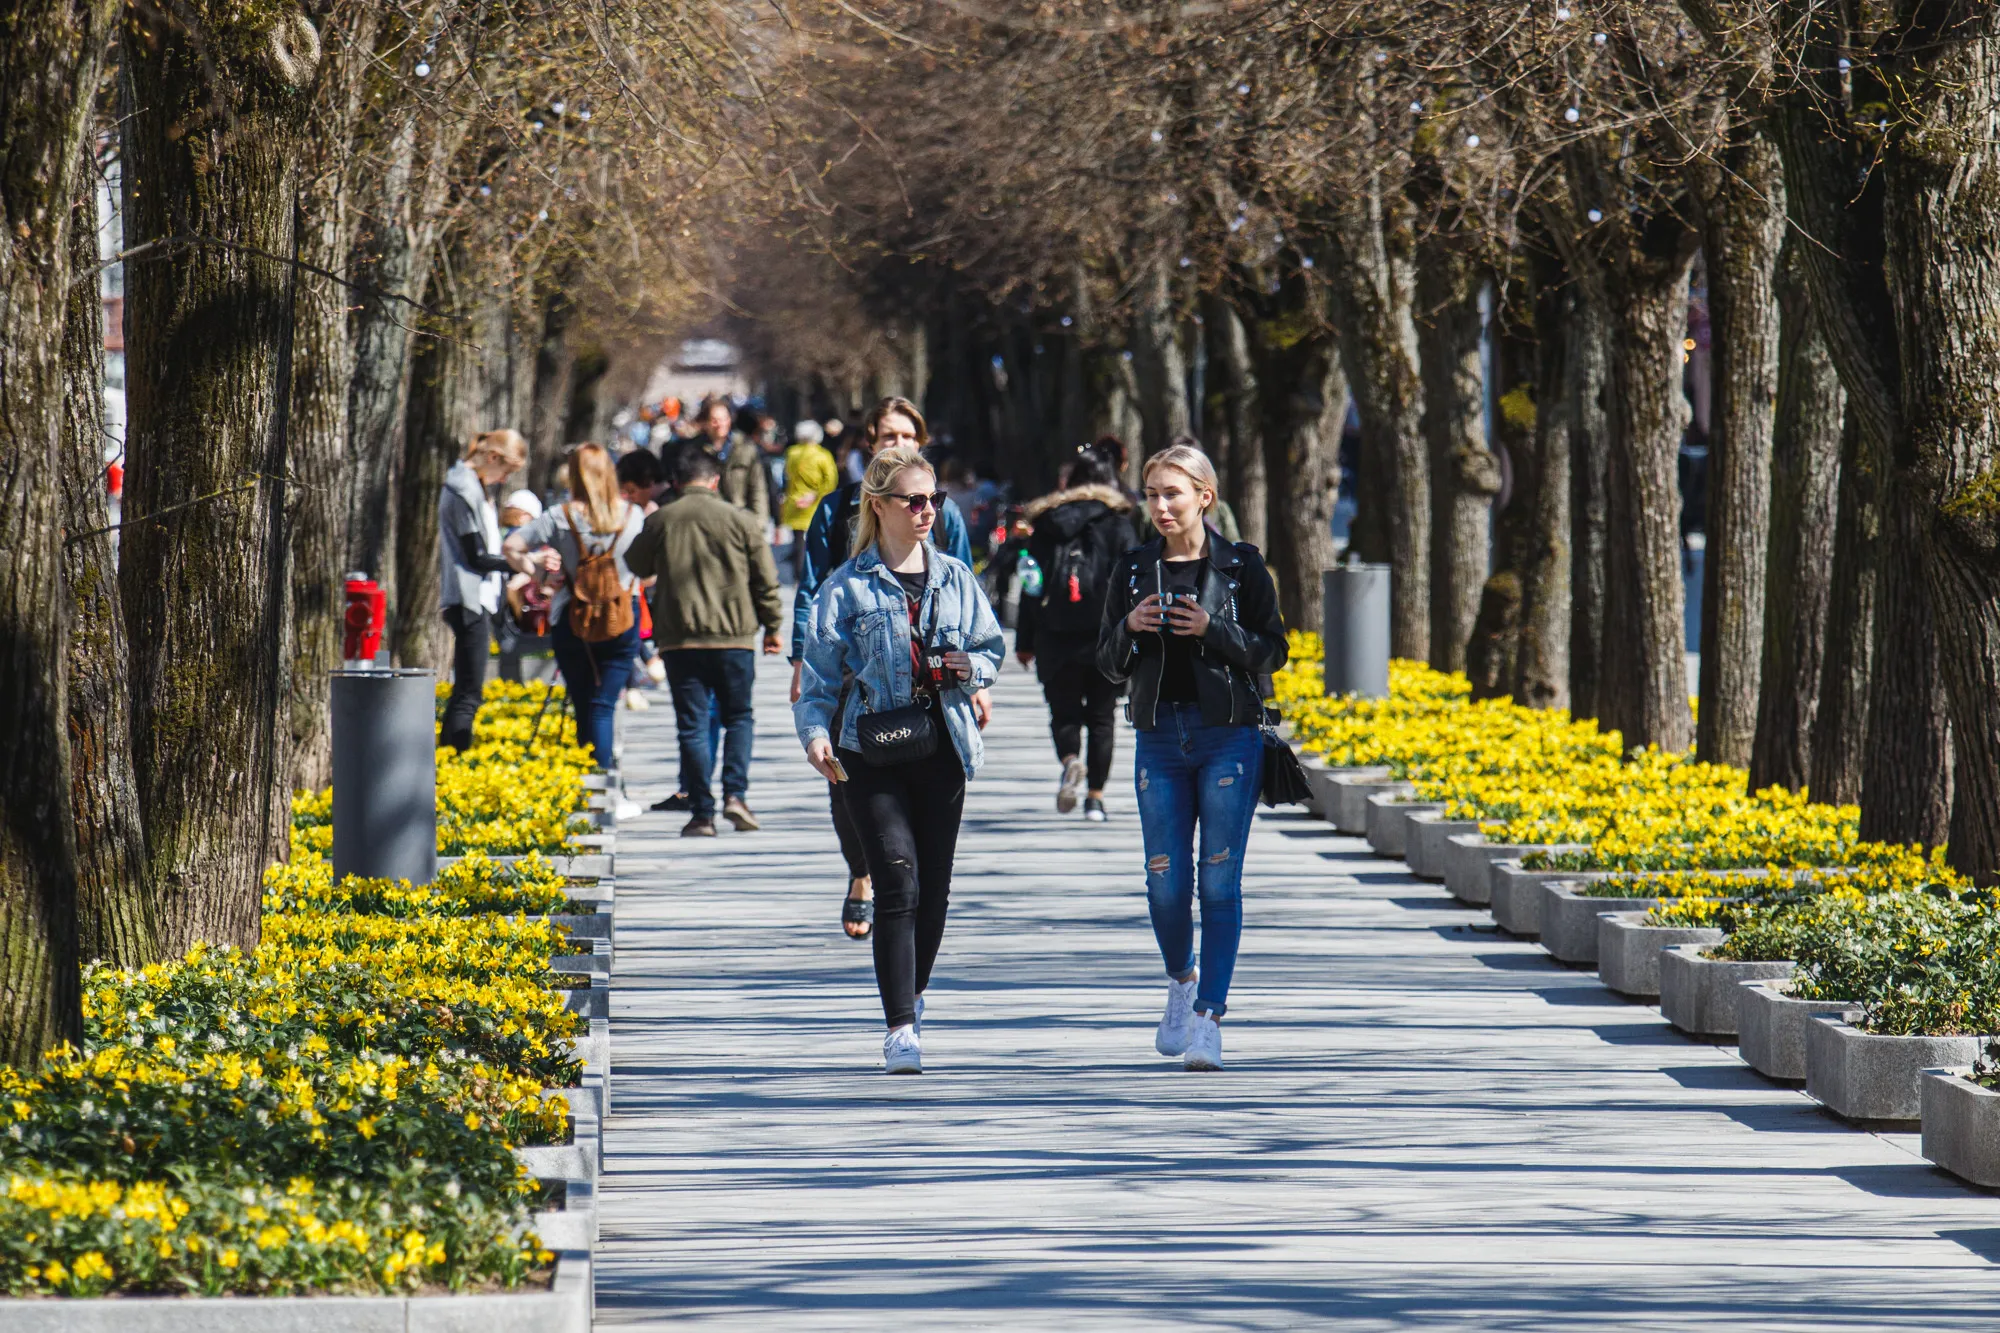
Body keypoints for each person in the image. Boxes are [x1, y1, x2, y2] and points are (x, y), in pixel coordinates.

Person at [794, 444, 1005, 1074]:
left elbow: (989, 647)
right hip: (869, 749)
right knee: (898, 879)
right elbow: (819, 680)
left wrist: (972, 668)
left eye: (934, 500)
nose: (927, 512)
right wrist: (814, 735)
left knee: (934, 890)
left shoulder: (956, 580)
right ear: (878, 506)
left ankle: (913, 990)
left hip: (942, 746)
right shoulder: (845, 586)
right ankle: (899, 1029)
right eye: (914, 501)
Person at [1096, 444, 1287, 1073]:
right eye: (1151, 493)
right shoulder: (1131, 569)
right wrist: (1128, 629)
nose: (1160, 506)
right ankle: (1181, 980)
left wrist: (1212, 629)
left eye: (1172, 493)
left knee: (1218, 881)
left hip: (1227, 735)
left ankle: (1209, 1016)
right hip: (1158, 738)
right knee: (1165, 884)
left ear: (1204, 496)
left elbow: (1272, 651)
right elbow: (1106, 663)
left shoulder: (1241, 567)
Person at [789, 397, 986, 941]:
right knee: (846, 775)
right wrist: (801, 662)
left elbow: (965, 583)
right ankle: (863, 871)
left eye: (906, 436)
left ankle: (896, 876)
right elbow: (811, 588)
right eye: (885, 436)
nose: (895, 445)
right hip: (854, 656)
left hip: (928, 670)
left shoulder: (937, 510)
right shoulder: (837, 509)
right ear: (870, 443)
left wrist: (974, 676)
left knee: (917, 771)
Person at [626, 448, 785, 836]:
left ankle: (701, 813)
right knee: (738, 717)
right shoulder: (742, 521)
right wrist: (773, 626)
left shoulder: (662, 519)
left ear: (677, 483)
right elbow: (766, 579)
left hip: (681, 639)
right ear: (715, 481)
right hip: (735, 637)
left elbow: (636, 564)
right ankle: (736, 795)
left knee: (693, 726)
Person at [504, 444, 646, 798]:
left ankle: (590, 787)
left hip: (572, 617)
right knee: (604, 703)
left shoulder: (559, 517)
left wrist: (536, 570)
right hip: (622, 615)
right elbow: (650, 570)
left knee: (584, 701)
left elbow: (511, 547)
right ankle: (603, 789)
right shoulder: (632, 515)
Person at [1017, 446, 1138, 822]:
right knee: (1103, 718)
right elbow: (1134, 582)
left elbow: (1031, 583)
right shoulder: (1119, 521)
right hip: (1105, 636)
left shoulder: (1047, 522)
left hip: (1055, 634)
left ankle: (1070, 760)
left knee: (1063, 712)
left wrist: (1024, 640)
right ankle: (1096, 798)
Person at [437, 429, 527, 751]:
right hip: (467, 597)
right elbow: (475, 555)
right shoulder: (463, 489)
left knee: (467, 690)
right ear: (492, 458)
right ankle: (454, 758)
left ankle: (449, 760)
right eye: (507, 471)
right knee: (469, 692)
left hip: (475, 598)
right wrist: (520, 564)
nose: (504, 480)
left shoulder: (474, 486)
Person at [691, 397, 769, 519]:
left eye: (724, 419)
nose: (720, 424)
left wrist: (759, 523)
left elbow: (758, 489)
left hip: (739, 518)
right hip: (707, 519)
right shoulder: (695, 450)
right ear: (706, 423)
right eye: (714, 420)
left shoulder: (745, 448)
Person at [780, 421, 839, 581]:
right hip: (816, 504)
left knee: (798, 543)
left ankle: (798, 577)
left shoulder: (791, 453)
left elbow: (787, 476)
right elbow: (831, 481)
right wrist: (816, 495)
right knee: (818, 543)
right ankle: (816, 575)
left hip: (794, 502)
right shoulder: (823, 455)